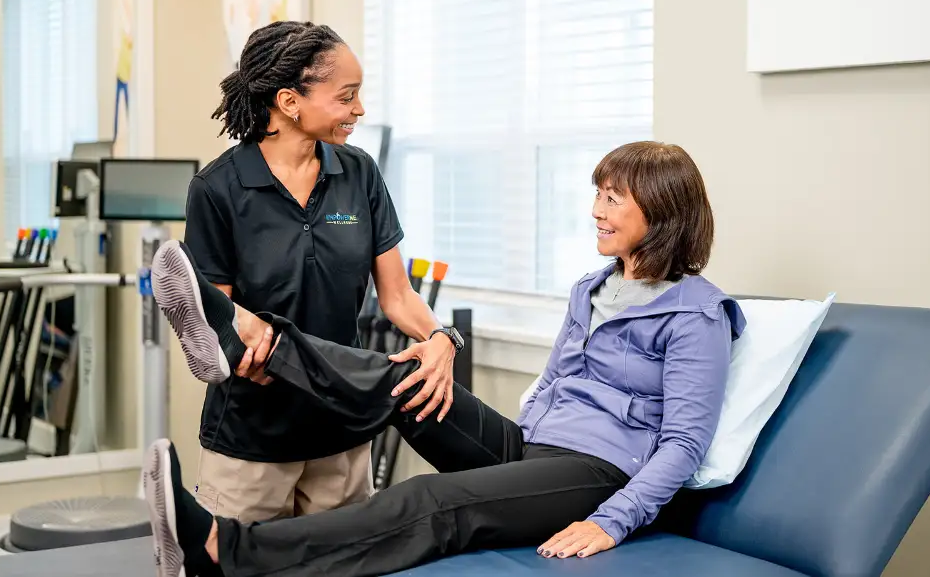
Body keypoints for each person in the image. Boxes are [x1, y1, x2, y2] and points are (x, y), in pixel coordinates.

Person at [146, 141, 746, 577]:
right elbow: (556, 379)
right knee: (408, 380)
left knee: (429, 500)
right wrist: (514, 450)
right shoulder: (591, 288)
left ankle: (224, 551)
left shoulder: (697, 314)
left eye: (613, 199)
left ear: (661, 212)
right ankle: (258, 340)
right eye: (597, 194)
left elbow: (683, 444)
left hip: (600, 470)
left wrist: (611, 520)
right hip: (534, 446)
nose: (596, 210)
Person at [183, 20, 462, 523]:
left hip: (342, 430)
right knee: (242, 559)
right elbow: (218, 319)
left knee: (342, 558)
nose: (359, 109)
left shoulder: (359, 172)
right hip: (252, 438)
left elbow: (397, 296)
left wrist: (441, 337)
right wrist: (241, 347)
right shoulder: (217, 189)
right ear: (290, 101)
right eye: (346, 96)